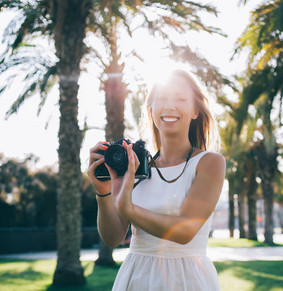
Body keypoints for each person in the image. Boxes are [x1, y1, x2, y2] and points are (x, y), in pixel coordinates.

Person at [87, 69, 226, 290]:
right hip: (135, 277)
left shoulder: (210, 163)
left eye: (180, 99)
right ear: (151, 109)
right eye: (162, 98)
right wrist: (103, 193)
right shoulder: (136, 166)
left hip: (187, 279)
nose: (169, 106)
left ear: (195, 111)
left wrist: (128, 208)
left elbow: (184, 231)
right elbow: (112, 238)